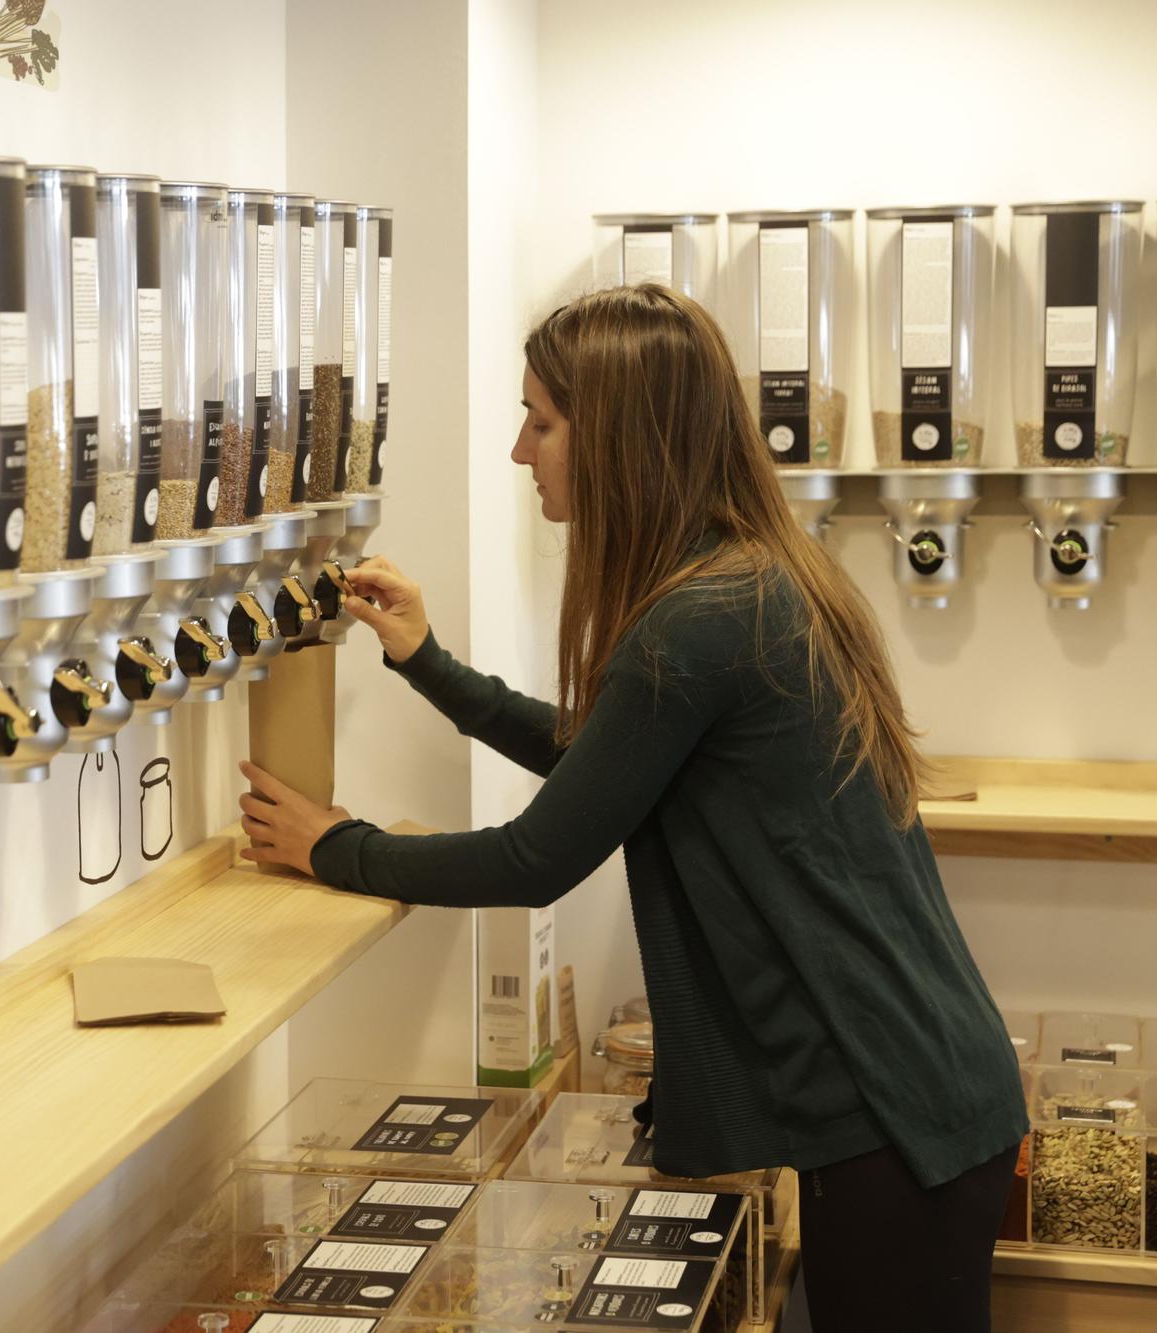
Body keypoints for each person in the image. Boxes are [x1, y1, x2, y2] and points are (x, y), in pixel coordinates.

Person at [238, 283, 1027, 1332]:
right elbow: (602, 756)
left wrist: (339, 848)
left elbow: (533, 857)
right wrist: (425, 661)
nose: (522, 452)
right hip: (914, 1095)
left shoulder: (697, 619)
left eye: (542, 422)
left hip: (894, 1117)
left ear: (616, 436)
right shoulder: (745, 577)